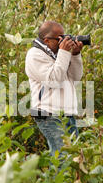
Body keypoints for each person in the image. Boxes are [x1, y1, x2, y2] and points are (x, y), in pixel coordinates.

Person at [25, 21, 84, 168]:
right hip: (48, 114)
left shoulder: (58, 55)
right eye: (60, 38)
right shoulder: (35, 55)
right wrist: (64, 52)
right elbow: (54, 80)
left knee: (75, 157)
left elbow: (76, 77)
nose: (63, 41)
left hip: (66, 114)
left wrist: (75, 55)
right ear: (46, 40)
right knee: (63, 158)